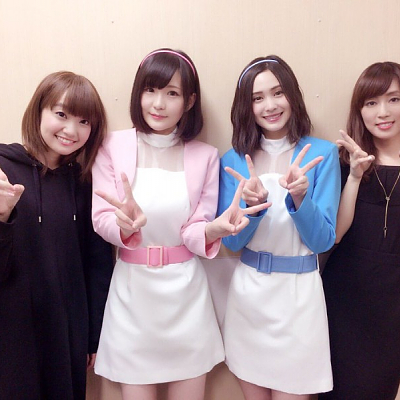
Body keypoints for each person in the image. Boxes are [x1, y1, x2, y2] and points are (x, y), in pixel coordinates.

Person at [91, 48, 269, 400]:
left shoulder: (205, 156)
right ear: (138, 93)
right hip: (132, 294)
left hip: (186, 296)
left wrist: (215, 229)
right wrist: (124, 226)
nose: (158, 104)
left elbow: (194, 228)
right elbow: (101, 217)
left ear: (189, 101)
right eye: (150, 90)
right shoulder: (112, 145)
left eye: (171, 93)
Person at [218, 55, 340, 400]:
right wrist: (254, 207)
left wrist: (300, 198)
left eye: (278, 93)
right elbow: (232, 243)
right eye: (257, 98)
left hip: (300, 299)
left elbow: (322, 241)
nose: (269, 105)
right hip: (249, 298)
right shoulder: (233, 159)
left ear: (292, 95)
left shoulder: (322, 154)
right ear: (247, 107)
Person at [0, 71, 114, 400]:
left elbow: (97, 266)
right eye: (61, 114)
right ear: (39, 111)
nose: (71, 130)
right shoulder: (4, 169)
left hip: (67, 332)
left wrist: (93, 337)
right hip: (12, 332)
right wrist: (2, 218)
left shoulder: (84, 182)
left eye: (84, 121)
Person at [320, 62, 400, 400]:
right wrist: (354, 176)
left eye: (394, 99)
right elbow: (335, 235)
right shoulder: (342, 161)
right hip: (343, 300)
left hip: (392, 309)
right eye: (371, 102)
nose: (383, 112)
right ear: (359, 109)